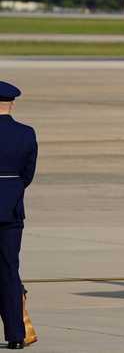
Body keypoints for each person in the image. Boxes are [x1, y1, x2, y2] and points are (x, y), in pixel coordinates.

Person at [0, 81, 37, 351]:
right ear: (12, 104)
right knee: (9, 270)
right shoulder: (26, 133)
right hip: (10, 208)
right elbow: (27, 174)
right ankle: (16, 335)